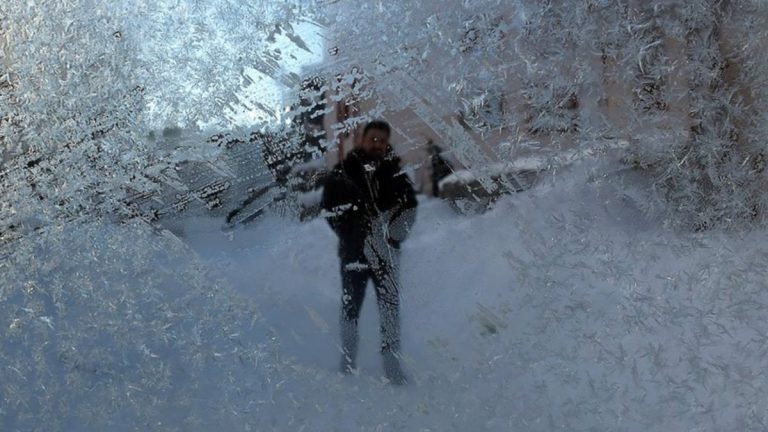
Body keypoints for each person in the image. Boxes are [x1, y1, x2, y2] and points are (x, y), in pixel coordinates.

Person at [321, 120, 418, 385]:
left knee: (390, 309)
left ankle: (392, 367)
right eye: (372, 138)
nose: (377, 144)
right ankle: (348, 362)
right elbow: (330, 211)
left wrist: (393, 234)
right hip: (354, 253)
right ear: (362, 139)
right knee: (350, 308)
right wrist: (354, 233)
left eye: (382, 140)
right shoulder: (343, 173)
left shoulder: (395, 172)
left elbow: (410, 208)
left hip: (386, 254)